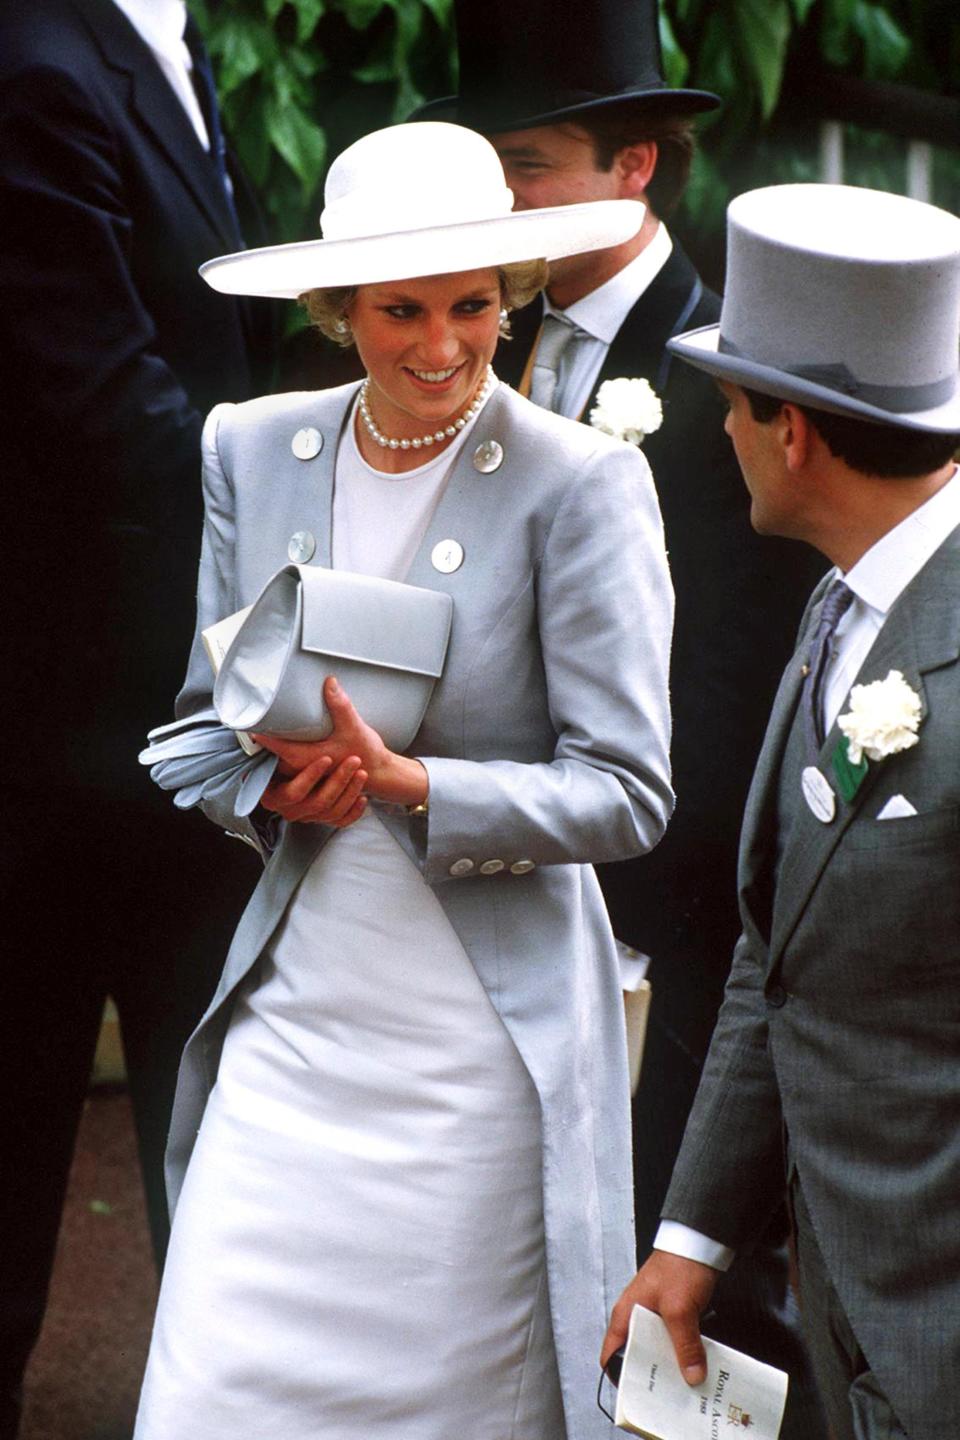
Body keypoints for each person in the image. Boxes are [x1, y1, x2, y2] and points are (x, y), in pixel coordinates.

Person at [131, 120, 674, 1440]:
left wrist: (420, 785)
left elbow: (630, 791)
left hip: (476, 1068)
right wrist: (266, 790)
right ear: (335, 309)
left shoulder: (584, 483)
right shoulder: (248, 447)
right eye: (402, 310)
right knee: (209, 1390)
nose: (442, 347)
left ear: (512, 297)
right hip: (294, 1024)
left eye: (474, 305)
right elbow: (198, 730)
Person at [416, 1, 826, 1430]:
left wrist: (637, 873)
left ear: (637, 167)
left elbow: (752, 672)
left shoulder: (733, 365)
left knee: (683, 1282)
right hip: (488, 880)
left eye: (527, 166)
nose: (500, 203)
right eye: (486, 167)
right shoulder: (468, 340)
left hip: (678, 911)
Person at [602, 182, 960, 1440]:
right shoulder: (836, 606)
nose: (725, 434)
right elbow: (778, 951)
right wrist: (694, 1235)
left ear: (793, 432)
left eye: (733, 405)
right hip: (849, 1331)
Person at [0, 1, 274, 1432]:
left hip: (174, 728)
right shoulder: (42, 64)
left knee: (207, 1143)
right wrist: (313, 508)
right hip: (56, 745)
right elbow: (102, 402)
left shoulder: (155, 46)